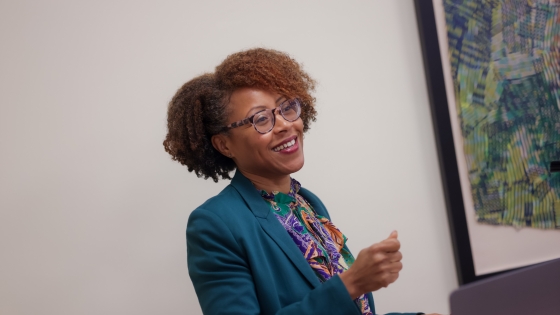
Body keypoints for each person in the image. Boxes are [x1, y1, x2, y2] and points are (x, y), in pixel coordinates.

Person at [164, 48, 440, 315]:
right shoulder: (215, 223)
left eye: (287, 107)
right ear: (224, 145)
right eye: (261, 118)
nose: (285, 124)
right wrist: (352, 283)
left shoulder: (307, 202)